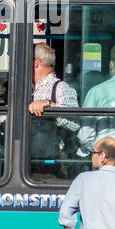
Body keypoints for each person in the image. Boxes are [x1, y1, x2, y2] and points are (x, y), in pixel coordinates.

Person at [28, 42, 80, 172]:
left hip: (49, 165)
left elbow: (75, 124)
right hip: (22, 160)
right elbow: (2, 121)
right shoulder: (24, 87)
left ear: (35, 63)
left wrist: (51, 107)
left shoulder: (61, 88)